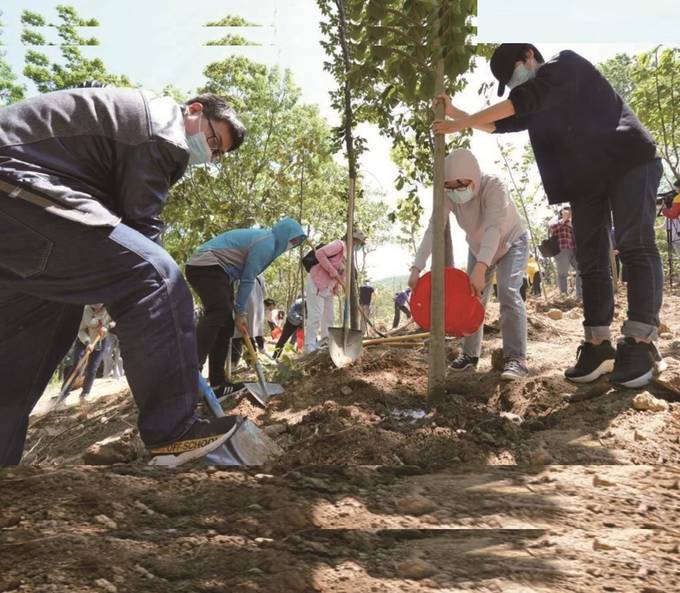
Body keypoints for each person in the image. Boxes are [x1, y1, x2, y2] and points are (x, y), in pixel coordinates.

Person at [0, 87, 246, 466]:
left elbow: (114, 228)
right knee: (157, 277)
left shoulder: (137, 119)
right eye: (212, 139)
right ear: (194, 109)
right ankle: (173, 431)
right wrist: (159, 308)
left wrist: (107, 284)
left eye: (216, 153)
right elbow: (141, 226)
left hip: (23, 211)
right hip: (17, 185)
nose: (208, 152)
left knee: (38, 334)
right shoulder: (165, 126)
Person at [433, 43, 664, 388]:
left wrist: (460, 124)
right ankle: (598, 345)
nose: (515, 85)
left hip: (628, 160)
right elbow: (504, 122)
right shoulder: (537, 104)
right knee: (590, 260)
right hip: (588, 182)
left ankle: (640, 341)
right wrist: (455, 113)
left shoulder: (564, 66)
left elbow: (522, 101)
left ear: (528, 56)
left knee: (634, 244)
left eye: (512, 75)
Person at [409, 148, 530, 380]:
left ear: (474, 178)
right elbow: (434, 228)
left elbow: (494, 228)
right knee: (470, 297)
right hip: (477, 247)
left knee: (507, 290)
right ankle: (470, 354)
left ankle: (516, 358)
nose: (455, 191)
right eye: (450, 186)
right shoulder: (448, 195)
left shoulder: (494, 186)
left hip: (510, 241)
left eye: (460, 184)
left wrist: (481, 267)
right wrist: (417, 267)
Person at [185, 219, 306, 395]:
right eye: (292, 240)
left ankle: (218, 384)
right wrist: (241, 311)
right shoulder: (267, 242)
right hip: (206, 265)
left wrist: (237, 309)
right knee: (219, 311)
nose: (292, 245)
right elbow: (248, 278)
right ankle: (191, 370)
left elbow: (240, 276)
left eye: (296, 243)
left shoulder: (269, 246)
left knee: (226, 325)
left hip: (220, 273)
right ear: (284, 234)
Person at [303, 239, 346, 354]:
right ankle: (309, 346)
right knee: (316, 315)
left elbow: (341, 274)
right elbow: (320, 254)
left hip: (329, 289)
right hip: (317, 283)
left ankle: (325, 341)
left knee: (329, 317)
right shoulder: (339, 245)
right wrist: (333, 271)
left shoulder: (348, 257)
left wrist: (337, 287)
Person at [231, 274, 267, 366]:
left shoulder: (237, 274)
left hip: (243, 310)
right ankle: (250, 362)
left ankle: (237, 362)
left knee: (239, 336)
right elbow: (263, 293)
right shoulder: (259, 277)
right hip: (251, 310)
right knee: (246, 335)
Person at [550, 206, 582, 300]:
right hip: (561, 250)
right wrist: (563, 220)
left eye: (570, 211)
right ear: (562, 212)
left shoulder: (571, 224)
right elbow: (552, 229)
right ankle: (564, 296)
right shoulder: (555, 221)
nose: (569, 212)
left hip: (573, 250)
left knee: (581, 269)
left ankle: (579, 296)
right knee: (562, 274)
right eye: (567, 210)